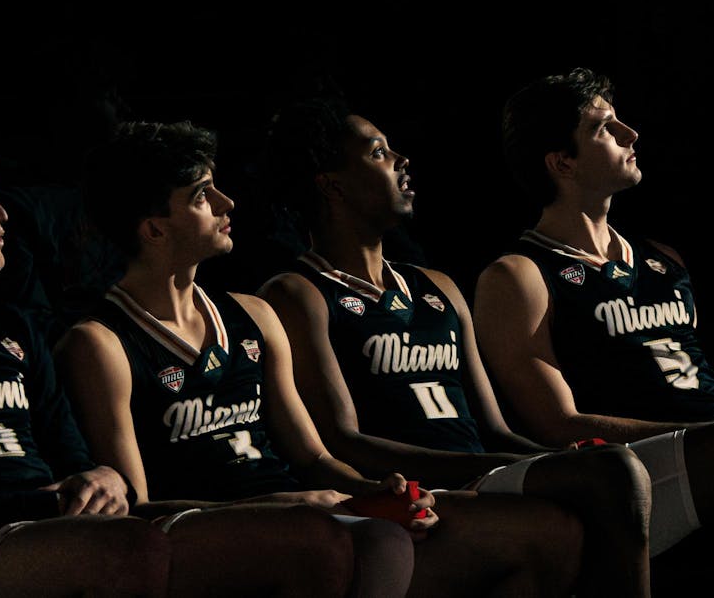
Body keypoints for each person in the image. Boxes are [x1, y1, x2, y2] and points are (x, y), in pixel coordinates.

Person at [53, 120, 585, 598]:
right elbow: (139, 512)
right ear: (154, 228)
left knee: (552, 533)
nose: (226, 203)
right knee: (350, 546)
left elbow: (314, 458)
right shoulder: (100, 342)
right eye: (201, 195)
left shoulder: (252, 314)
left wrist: (375, 490)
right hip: (224, 536)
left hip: (316, 515)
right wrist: (288, 509)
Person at [0, 121, 363, 598]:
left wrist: (100, 478)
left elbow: (76, 461)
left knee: (336, 544)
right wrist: (49, 503)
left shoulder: (14, 328)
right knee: (131, 547)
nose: (2, 214)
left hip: (50, 527)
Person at [473, 67, 714, 597]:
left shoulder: (663, 258)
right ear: (561, 161)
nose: (630, 135)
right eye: (604, 128)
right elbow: (554, 421)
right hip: (632, 472)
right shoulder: (519, 273)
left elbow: (697, 382)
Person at [255, 98, 676, 597]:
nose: (400, 160)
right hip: (416, 488)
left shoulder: (439, 286)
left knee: (600, 473)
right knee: (601, 484)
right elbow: (343, 440)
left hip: (479, 478)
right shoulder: (297, 292)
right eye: (377, 153)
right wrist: (500, 468)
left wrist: (548, 459)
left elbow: (493, 428)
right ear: (332, 184)